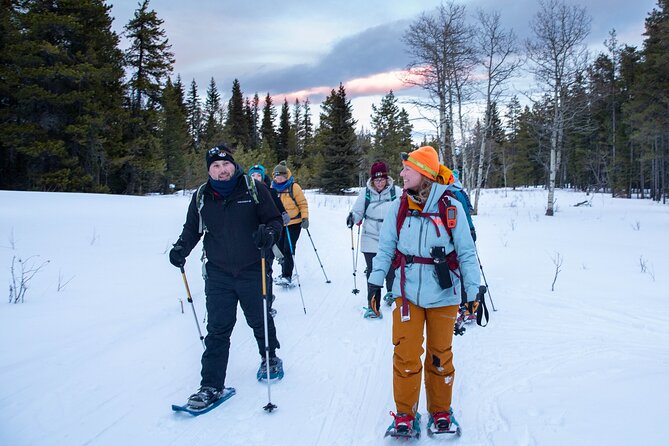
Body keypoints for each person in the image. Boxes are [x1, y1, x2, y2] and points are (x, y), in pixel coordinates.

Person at [367, 146, 480, 436]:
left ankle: (441, 411)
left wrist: (472, 293)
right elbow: (385, 247)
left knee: (440, 355)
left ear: (425, 173)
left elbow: (467, 253)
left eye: (407, 169)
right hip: (407, 292)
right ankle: (405, 414)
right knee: (405, 355)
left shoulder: (450, 207)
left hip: (445, 293)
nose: (401, 173)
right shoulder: (400, 206)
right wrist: (375, 282)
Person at [169, 145, 284, 410]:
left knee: (259, 318)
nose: (222, 171)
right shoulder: (202, 196)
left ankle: (270, 357)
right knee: (218, 329)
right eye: (215, 167)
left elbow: (274, 220)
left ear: (234, 165)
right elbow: (191, 229)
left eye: (225, 165)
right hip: (219, 272)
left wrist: (269, 234)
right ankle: (211, 385)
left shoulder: (253, 188)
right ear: (209, 170)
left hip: (253, 267)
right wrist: (180, 248)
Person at [346, 161, 401, 318]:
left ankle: (391, 291)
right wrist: (352, 218)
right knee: (373, 271)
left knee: (391, 269)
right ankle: (373, 305)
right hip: (370, 236)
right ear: (371, 180)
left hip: (391, 237)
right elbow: (357, 211)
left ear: (387, 178)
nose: (379, 182)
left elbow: (405, 210)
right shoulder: (366, 193)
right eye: (376, 180)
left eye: (382, 179)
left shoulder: (396, 192)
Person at [271, 161, 309, 286]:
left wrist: (305, 218)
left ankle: (287, 275)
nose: (279, 178)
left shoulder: (294, 187)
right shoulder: (272, 189)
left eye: (281, 176)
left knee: (288, 249)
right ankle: (284, 272)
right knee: (280, 250)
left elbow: (302, 204)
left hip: (294, 224)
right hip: (279, 225)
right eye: (277, 176)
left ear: (286, 176)